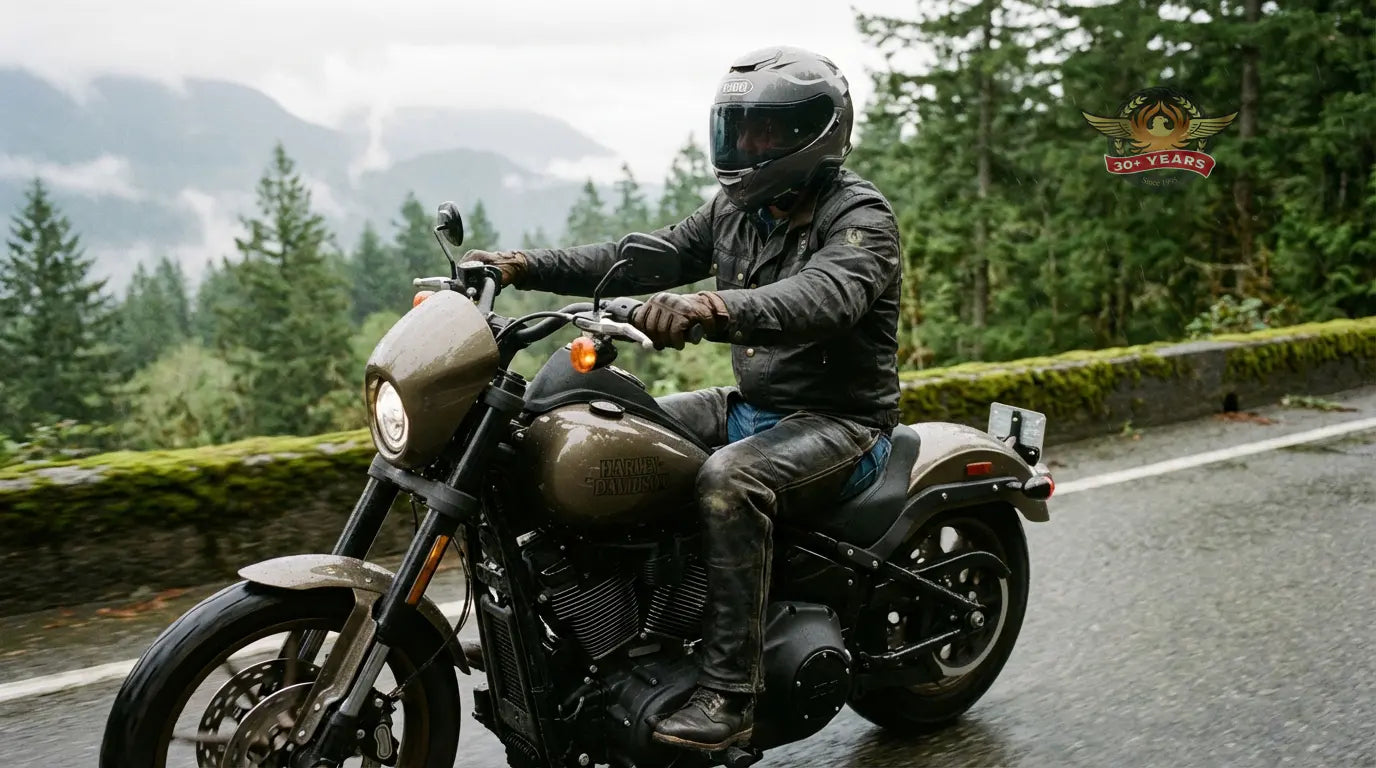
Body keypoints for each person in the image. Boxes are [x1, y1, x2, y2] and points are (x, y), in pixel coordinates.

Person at [465, 45, 901, 751]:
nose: (749, 145)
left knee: (729, 481)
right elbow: (638, 257)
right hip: (750, 405)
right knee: (604, 436)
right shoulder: (736, 208)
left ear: (814, 134)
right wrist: (522, 264)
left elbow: (825, 297)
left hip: (840, 422)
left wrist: (709, 306)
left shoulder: (858, 217)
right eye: (741, 128)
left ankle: (730, 695)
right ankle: (585, 623)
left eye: (767, 131)